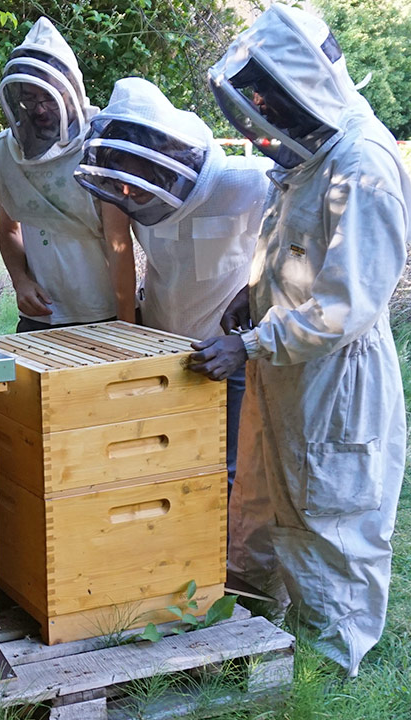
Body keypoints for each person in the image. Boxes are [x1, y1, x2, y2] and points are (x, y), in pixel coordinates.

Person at [189, 5, 411, 677]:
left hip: (335, 380)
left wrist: (253, 344)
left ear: (302, 87)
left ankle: (326, 670)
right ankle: (248, 638)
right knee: (260, 503)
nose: (264, 115)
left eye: (268, 101)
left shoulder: (363, 164)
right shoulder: (311, 158)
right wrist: (251, 295)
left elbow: (345, 304)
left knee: (330, 518)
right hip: (282, 367)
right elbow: (293, 251)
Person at [74, 77, 271, 495]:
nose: (125, 190)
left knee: (227, 470)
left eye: (133, 176)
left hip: (227, 352)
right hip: (161, 346)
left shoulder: (242, 182)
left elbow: (291, 235)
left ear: (162, 154)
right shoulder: (123, 192)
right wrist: (128, 332)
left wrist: (254, 321)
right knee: (165, 467)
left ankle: (224, 559)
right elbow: (121, 251)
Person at [0, 17, 133, 332]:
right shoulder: (4, 153)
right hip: (41, 316)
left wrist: (127, 327)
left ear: (69, 92)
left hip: (103, 313)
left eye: (47, 98)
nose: (38, 110)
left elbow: (119, 243)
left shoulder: (100, 149)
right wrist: (20, 281)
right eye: (29, 97)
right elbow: (8, 230)